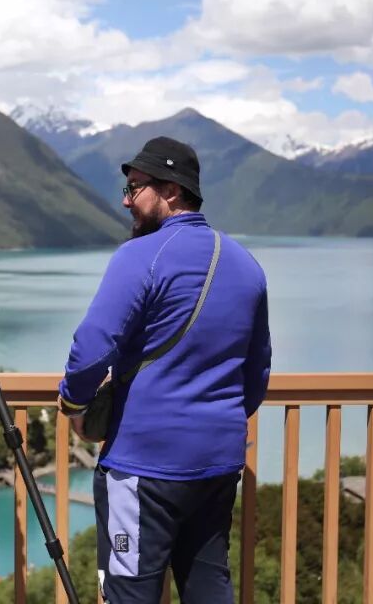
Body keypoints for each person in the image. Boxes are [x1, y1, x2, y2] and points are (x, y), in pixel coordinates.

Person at [57, 136, 271, 604]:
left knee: (128, 592)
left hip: (144, 466)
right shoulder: (247, 264)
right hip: (217, 462)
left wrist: (73, 404)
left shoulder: (141, 255)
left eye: (135, 188)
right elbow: (256, 374)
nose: (125, 200)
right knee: (208, 585)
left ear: (171, 191)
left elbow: (91, 347)